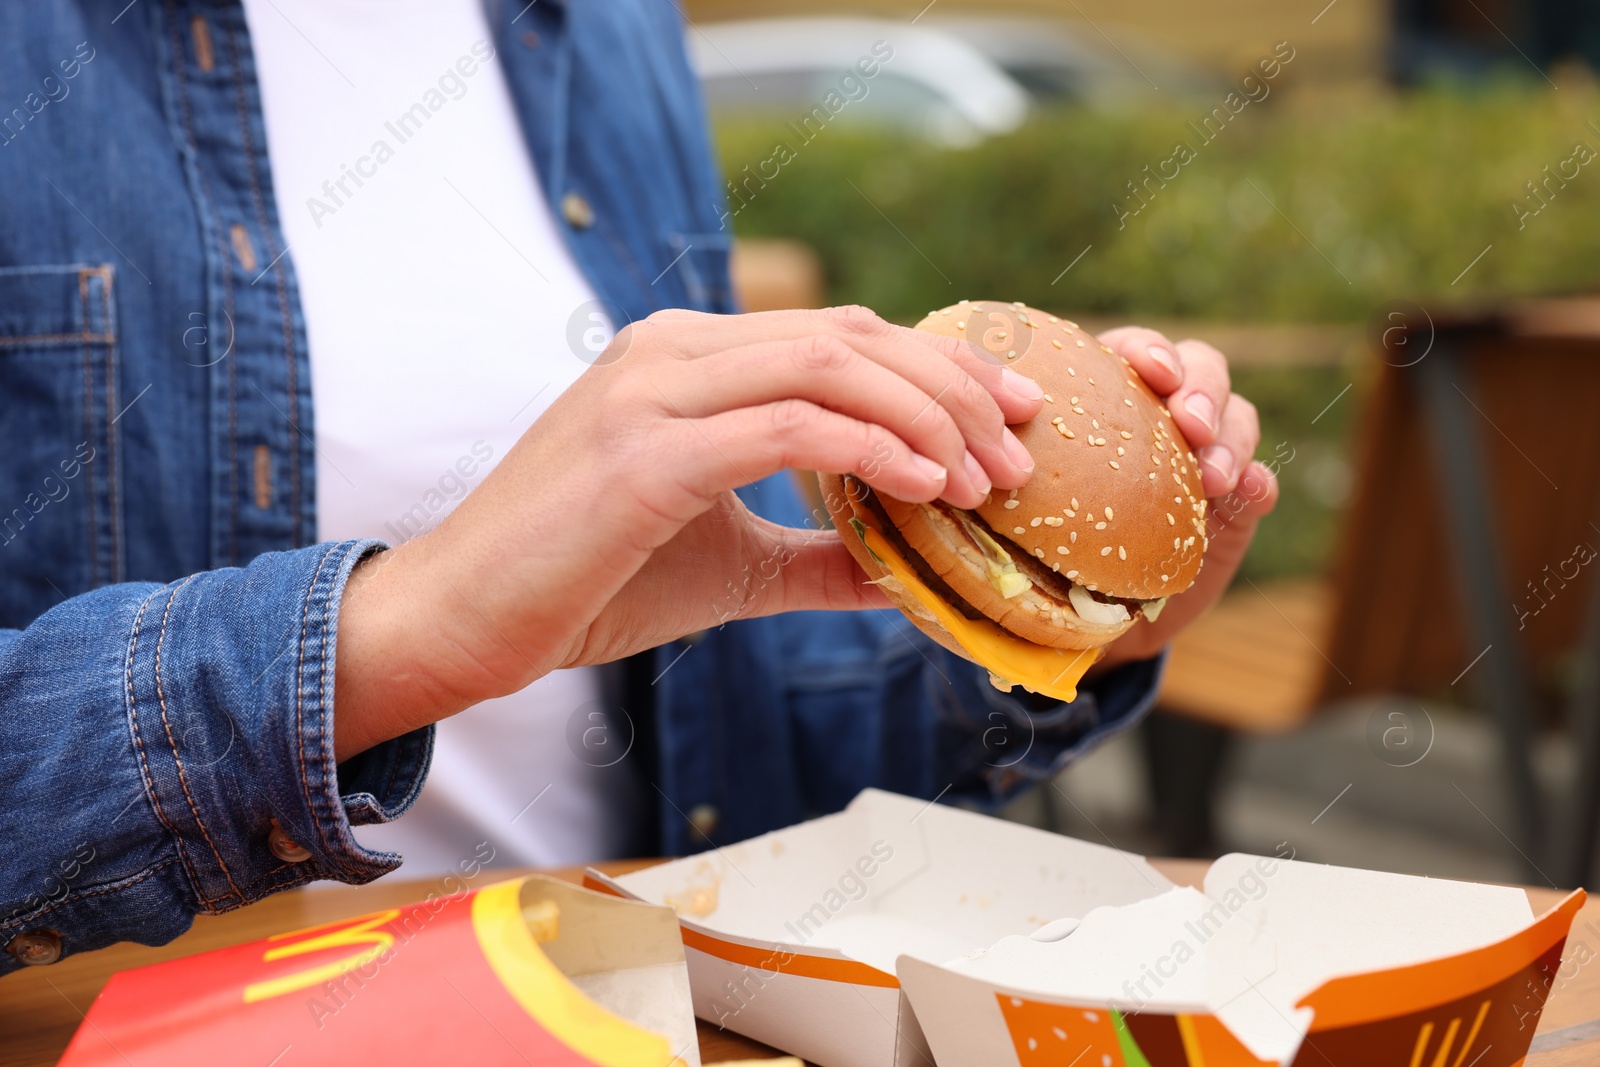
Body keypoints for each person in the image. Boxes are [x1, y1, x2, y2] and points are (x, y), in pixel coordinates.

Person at [0, 0, 1276, 975]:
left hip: (637, 1002)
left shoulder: (606, 28)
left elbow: (735, 767)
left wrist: (1067, 634)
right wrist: (389, 639)